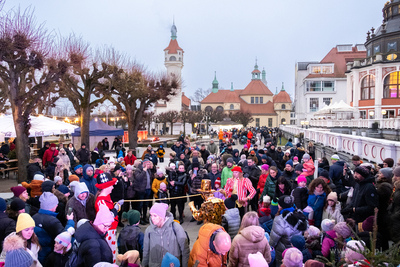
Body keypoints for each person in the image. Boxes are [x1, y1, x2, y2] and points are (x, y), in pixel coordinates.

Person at [142, 203, 189, 267]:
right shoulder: (149, 230)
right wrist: (144, 264)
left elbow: (185, 250)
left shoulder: (175, 227)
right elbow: (146, 251)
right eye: (151, 215)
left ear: (162, 216)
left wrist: (185, 265)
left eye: (155, 216)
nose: (152, 218)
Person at [33, 192, 74, 263]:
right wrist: (70, 221)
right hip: (49, 255)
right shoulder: (52, 221)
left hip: (38, 254)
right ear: (50, 206)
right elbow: (65, 237)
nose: (57, 205)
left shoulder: (34, 217)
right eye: (55, 204)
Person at [269, 198, 308, 266]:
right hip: (298, 252)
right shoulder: (301, 215)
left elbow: (273, 240)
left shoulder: (279, 220)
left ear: (279, 206)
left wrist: (270, 248)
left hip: (283, 252)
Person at [95, 172, 123, 263]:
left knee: (112, 250)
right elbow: (107, 217)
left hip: (112, 228)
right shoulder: (101, 201)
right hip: (107, 231)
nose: (112, 187)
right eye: (111, 185)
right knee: (109, 253)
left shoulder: (107, 196)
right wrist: (115, 209)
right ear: (106, 187)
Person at [133, 159, 153, 225]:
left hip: (148, 189)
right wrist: (144, 171)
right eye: (147, 164)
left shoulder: (149, 170)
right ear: (144, 164)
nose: (149, 166)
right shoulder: (138, 170)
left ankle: (145, 217)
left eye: (149, 164)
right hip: (141, 190)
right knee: (140, 205)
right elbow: (138, 178)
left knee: (146, 205)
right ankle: (140, 218)